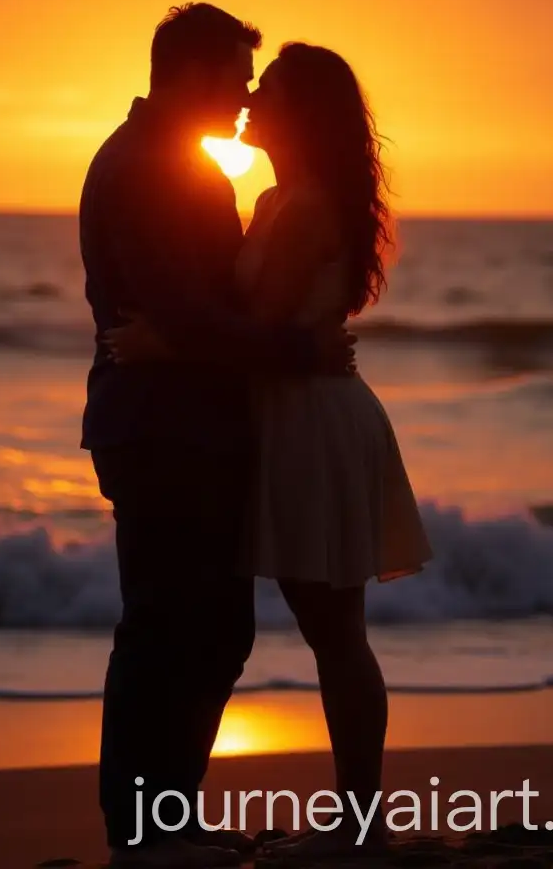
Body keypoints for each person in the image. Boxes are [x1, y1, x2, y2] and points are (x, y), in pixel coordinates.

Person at [108, 42, 433, 859]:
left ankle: (360, 824)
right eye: (249, 83)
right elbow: (264, 333)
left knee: (335, 630)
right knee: (327, 626)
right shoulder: (278, 199)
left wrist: (163, 346)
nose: (251, 98)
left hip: (313, 425)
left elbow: (264, 334)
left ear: (304, 113)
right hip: (290, 419)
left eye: (272, 89)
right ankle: (355, 820)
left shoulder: (308, 207)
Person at [79, 5, 355, 867]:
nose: (243, 95)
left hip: (192, 430)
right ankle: (143, 834)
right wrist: (300, 347)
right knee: (166, 627)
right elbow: (193, 316)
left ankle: (169, 820)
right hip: (161, 432)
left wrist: (230, 338)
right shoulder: (146, 168)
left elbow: (208, 314)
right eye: (237, 75)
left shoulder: (181, 166)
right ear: (193, 74)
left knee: (208, 629)